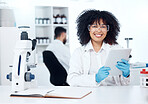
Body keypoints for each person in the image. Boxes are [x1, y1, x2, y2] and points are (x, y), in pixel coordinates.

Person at [67, 9, 130, 87]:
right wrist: (95, 78)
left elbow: (125, 84)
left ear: (108, 30)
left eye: (103, 26)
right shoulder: (79, 53)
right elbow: (72, 80)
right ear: (88, 29)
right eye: (94, 26)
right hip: (89, 95)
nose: (99, 30)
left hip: (114, 95)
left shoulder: (117, 49)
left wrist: (126, 74)